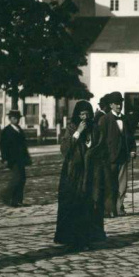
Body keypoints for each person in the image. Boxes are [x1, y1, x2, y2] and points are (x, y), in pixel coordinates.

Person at [54, 101, 107, 249]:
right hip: (74, 174)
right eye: (82, 114)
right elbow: (64, 149)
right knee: (75, 206)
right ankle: (73, 240)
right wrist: (78, 132)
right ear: (77, 115)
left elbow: (101, 148)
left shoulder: (96, 129)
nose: (84, 117)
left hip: (91, 173)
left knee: (90, 206)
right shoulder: (71, 128)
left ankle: (87, 239)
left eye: (87, 114)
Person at [102, 91, 136, 217]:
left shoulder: (125, 119)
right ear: (111, 105)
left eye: (120, 103)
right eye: (116, 104)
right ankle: (109, 210)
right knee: (110, 185)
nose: (119, 106)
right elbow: (101, 140)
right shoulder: (104, 120)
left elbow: (130, 137)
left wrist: (132, 150)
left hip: (123, 157)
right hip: (109, 159)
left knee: (123, 185)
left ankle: (119, 207)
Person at [0, 109, 31, 207]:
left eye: (18, 118)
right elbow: (3, 146)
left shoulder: (19, 129)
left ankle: (17, 201)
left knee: (22, 179)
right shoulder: (6, 131)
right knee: (17, 178)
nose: (16, 120)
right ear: (10, 119)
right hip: (12, 159)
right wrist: (5, 159)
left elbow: (23, 145)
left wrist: (27, 157)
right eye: (14, 118)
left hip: (21, 158)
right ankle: (5, 195)